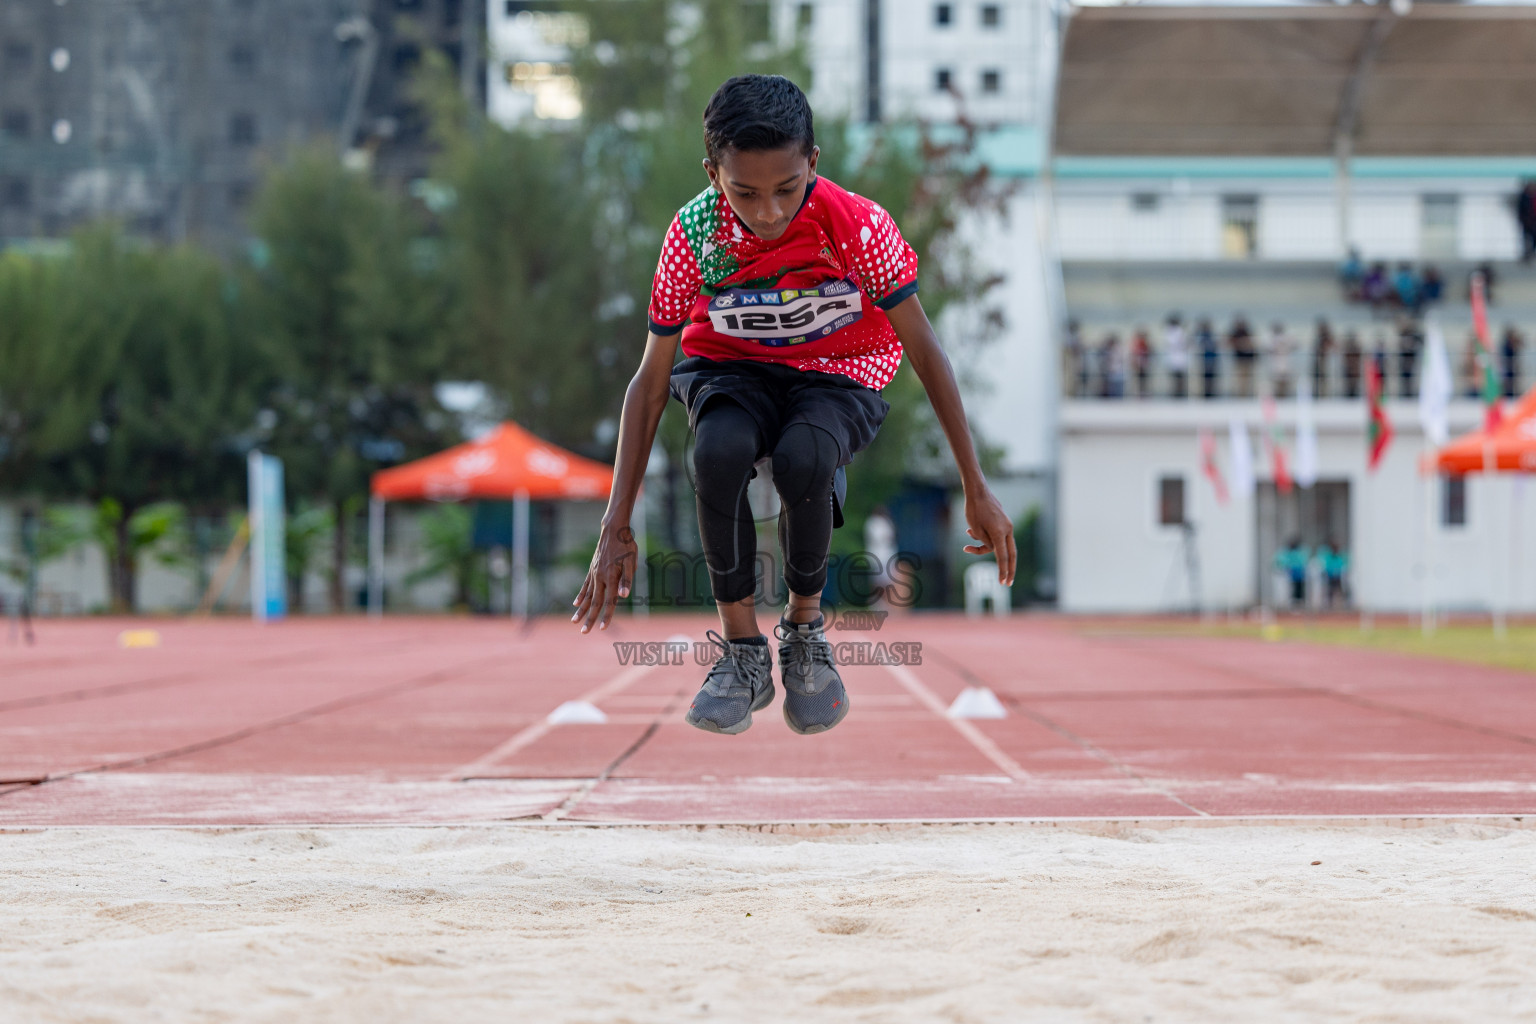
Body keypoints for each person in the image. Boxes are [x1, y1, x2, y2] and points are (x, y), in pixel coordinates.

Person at [571, 75, 1015, 737]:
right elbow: (650, 380)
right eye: (744, 192)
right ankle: (742, 650)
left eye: (786, 188)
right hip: (732, 366)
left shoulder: (858, 225)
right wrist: (617, 521)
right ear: (712, 172)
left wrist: (974, 485)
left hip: (838, 371)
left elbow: (925, 349)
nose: (769, 212)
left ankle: (805, 629)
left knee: (806, 455)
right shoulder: (694, 234)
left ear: (814, 162)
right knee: (716, 451)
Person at [1274, 536, 1309, 608]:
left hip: (1299, 575)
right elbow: (1280, 562)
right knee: (1286, 591)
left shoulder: (1301, 551)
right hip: (1287, 575)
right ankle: (1283, 605)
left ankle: (1299, 604)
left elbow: (1303, 562)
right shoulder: (1284, 552)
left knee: (1299, 590)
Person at [1316, 538, 1349, 608]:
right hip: (1330, 577)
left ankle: (1342, 604)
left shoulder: (1340, 557)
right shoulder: (1328, 557)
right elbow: (1326, 567)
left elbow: (1342, 566)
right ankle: (1329, 605)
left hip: (1338, 577)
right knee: (1329, 592)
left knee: (1340, 590)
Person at [1163, 314, 1189, 399]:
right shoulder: (1174, 331)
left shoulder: (1172, 331)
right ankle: (1177, 393)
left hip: (1178, 357)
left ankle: (1179, 394)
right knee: (1177, 378)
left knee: (1179, 377)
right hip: (1176, 357)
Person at [1229, 316, 1256, 398]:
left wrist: (1245, 343)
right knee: (1239, 379)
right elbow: (1230, 342)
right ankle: (1240, 394)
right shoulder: (1235, 333)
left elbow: (1252, 344)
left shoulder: (1247, 332)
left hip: (1248, 359)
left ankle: (1247, 394)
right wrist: (1241, 344)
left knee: (1248, 378)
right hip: (1239, 360)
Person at [1267, 321, 1295, 398]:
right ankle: (1281, 397)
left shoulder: (1274, 339)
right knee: (1279, 384)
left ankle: (1282, 397)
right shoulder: (1286, 338)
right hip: (1280, 364)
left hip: (1282, 364)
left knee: (1282, 384)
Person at [1397, 319, 1422, 399]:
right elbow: (1401, 347)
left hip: (1411, 361)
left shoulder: (1414, 335)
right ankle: (1405, 393)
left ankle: (1410, 393)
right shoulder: (1402, 335)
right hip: (1404, 362)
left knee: (1411, 378)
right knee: (1404, 379)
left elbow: (1419, 342)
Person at [1197, 318, 1221, 399]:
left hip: (1212, 359)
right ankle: (1206, 394)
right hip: (1205, 360)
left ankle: (1211, 393)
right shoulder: (1201, 336)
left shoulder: (1212, 335)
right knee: (1205, 378)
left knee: (1211, 378)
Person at [1311, 318, 1334, 398]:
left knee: (1323, 379)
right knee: (1317, 379)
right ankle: (1317, 395)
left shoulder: (1326, 336)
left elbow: (1331, 345)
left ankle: (1324, 395)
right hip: (1317, 360)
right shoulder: (1319, 337)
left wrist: (1324, 349)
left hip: (1324, 361)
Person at [1099, 333, 1126, 399]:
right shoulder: (1109, 350)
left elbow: (1121, 359)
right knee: (1112, 389)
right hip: (1112, 371)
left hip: (1118, 371)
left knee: (1118, 389)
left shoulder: (1119, 349)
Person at [1502, 325, 1524, 398]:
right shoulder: (1506, 344)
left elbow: (1521, 345)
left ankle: (1511, 393)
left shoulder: (1510, 343)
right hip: (1508, 365)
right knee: (1508, 380)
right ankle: (1508, 393)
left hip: (1512, 366)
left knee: (1514, 380)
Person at [1130, 327, 1153, 398]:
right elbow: (1135, 353)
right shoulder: (1137, 343)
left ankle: (1143, 393)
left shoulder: (1145, 343)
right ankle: (1140, 393)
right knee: (1140, 380)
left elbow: (1149, 352)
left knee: (1144, 379)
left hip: (1144, 364)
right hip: (1139, 364)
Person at [1517, 181, 1536, 264]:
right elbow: (1521, 210)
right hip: (1527, 222)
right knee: (1526, 239)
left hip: (1533, 221)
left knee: (1533, 238)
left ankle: (1532, 254)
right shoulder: (1524, 197)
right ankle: (1527, 256)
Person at [1341, 330, 1363, 398]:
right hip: (1349, 368)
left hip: (1355, 369)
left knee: (1354, 384)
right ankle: (1349, 395)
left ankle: (1354, 395)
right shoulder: (1347, 347)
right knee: (1348, 384)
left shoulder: (1356, 346)